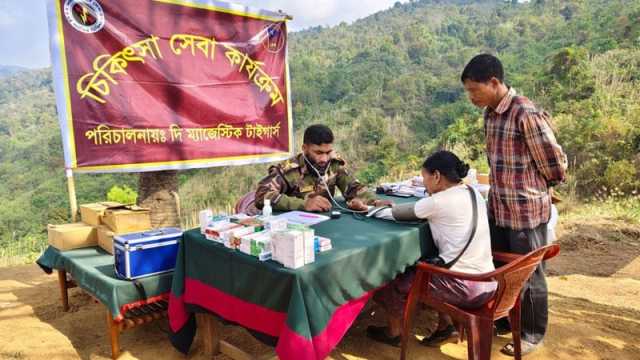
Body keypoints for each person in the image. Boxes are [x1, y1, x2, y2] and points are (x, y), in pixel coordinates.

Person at [461, 54, 567, 356]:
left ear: (494, 82)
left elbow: (554, 165)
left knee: (530, 275)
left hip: (526, 212)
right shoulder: (490, 114)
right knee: (501, 268)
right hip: (499, 208)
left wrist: (534, 191)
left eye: (474, 90)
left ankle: (532, 333)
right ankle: (508, 320)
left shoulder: (525, 113)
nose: (471, 97)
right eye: (468, 92)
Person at [367, 151, 496, 347]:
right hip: (487, 281)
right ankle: (445, 326)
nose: (424, 183)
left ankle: (394, 332)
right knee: (434, 260)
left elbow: (394, 214)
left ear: (436, 176)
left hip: (464, 287)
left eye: (424, 177)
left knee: (392, 278)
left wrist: (367, 208)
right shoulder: (473, 192)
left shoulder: (438, 201)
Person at [254, 124, 390, 212]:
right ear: (305, 149)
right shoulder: (289, 170)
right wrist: (303, 204)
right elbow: (261, 196)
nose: (324, 159)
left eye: (327, 152)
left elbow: (353, 188)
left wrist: (373, 201)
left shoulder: (334, 163)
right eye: (318, 153)